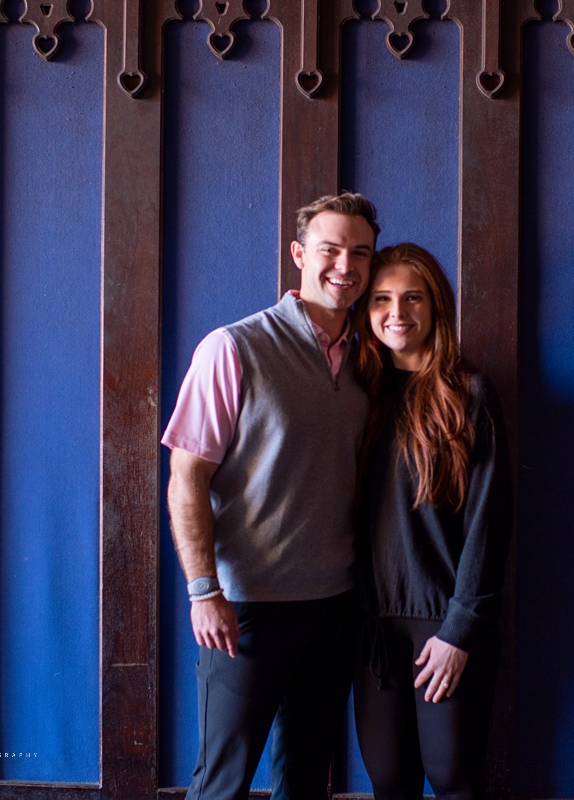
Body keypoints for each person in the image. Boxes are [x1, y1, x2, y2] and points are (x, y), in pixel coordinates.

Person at [162, 193, 379, 800]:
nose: (345, 265)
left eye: (359, 252)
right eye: (331, 249)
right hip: (245, 609)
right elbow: (187, 479)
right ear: (299, 254)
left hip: (335, 606)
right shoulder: (233, 348)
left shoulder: (367, 362)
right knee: (222, 784)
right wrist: (204, 591)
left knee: (308, 782)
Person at [352, 243, 510, 800]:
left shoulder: (469, 395)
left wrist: (458, 633)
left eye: (413, 297)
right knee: (390, 780)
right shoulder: (356, 395)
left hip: (443, 626)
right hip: (372, 629)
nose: (398, 312)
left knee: (452, 778)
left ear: (436, 305)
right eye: (382, 298)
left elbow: (489, 526)